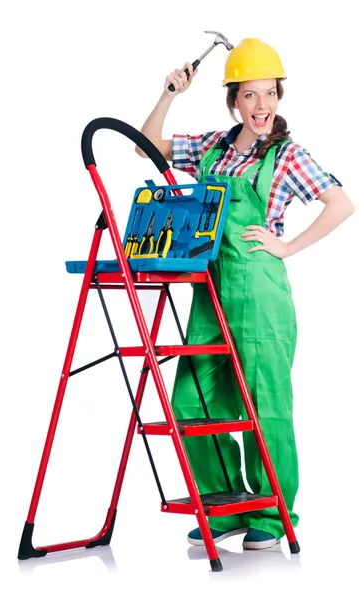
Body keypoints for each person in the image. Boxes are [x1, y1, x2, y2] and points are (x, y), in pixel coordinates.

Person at [135, 37, 354, 550]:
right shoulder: (212, 145)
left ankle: (272, 516)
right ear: (233, 98)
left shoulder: (286, 154)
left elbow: (341, 204)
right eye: (251, 96)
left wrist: (285, 246)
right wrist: (168, 95)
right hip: (209, 294)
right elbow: (144, 145)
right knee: (192, 401)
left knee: (265, 405)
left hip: (259, 294)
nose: (263, 107)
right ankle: (225, 502)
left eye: (270, 94)